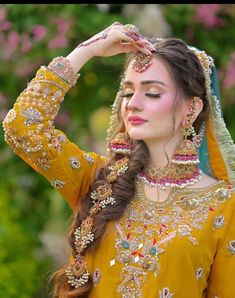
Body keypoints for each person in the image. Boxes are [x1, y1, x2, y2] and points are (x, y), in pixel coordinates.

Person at [2, 21, 235, 298]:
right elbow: (22, 128)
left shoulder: (222, 205)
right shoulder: (97, 180)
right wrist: (86, 50)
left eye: (152, 92)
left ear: (192, 107)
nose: (133, 102)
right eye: (128, 91)